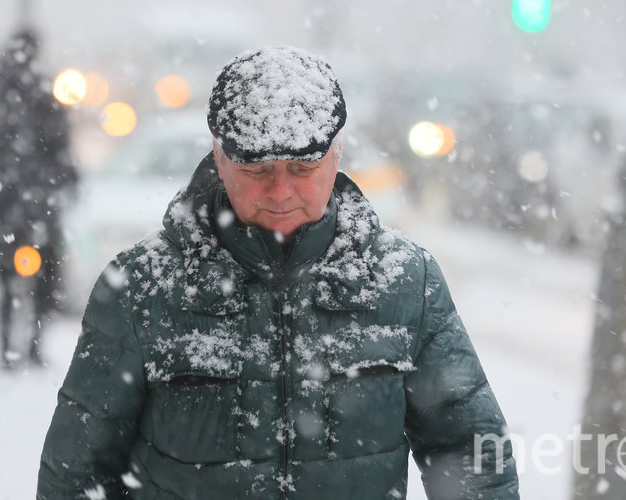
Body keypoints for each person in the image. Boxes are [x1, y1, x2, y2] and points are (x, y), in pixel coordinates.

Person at [36, 46, 519, 499]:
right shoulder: (143, 289)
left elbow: (473, 457)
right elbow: (78, 475)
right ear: (220, 157)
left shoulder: (406, 282)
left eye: (302, 168)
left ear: (337, 154)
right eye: (257, 170)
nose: (280, 191)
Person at [0, 27, 77, 369]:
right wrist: (63, 182)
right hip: (37, 204)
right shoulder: (44, 92)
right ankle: (32, 345)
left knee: (5, 277)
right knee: (44, 278)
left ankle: (7, 347)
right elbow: (61, 149)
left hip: (6, 205)